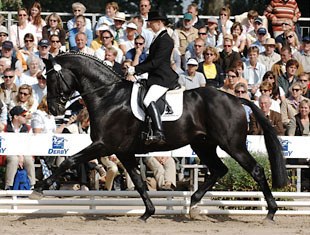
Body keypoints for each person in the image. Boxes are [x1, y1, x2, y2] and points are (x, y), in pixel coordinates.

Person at [126, 11, 179, 145]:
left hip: (163, 78)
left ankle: (159, 133)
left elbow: (156, 62)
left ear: (159, 23)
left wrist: (136, 69)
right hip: (155, 76)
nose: (149, 25)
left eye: (151, 22)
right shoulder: (158, 37)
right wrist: (136, 70)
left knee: (147, 99)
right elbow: (150, 60)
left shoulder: (166, 40)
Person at [4, 105, 35, 190]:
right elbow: (7, 144)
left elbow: (28, 144)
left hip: (24, 152)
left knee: (29, 159)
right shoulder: (6, 128)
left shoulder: (28, 128)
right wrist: (19, 155)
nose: (26, 117)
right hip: (9, 152)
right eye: (23, 116)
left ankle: (32, 185)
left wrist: (21, 155)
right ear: (16, 117)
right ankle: (8, 185)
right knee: (14, 159)